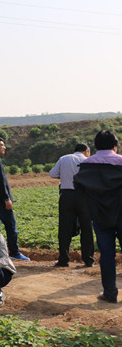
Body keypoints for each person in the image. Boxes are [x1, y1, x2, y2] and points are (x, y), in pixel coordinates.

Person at [73, 130, 122, 303]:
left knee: (107, 256)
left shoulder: (86, 165)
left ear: (95, 146)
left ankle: (110, 293)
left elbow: (79, 189)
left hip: (100, 216)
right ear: (115, 146)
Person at [50, 143, 94, 268]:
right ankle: (88, 260)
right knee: (86, 228)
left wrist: (64, 176)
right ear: (86, 151)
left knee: (64, 228)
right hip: (83, 196)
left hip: (66, 196)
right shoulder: (88, 160)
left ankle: (64, 259)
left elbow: (52, 174)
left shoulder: (64, 158)